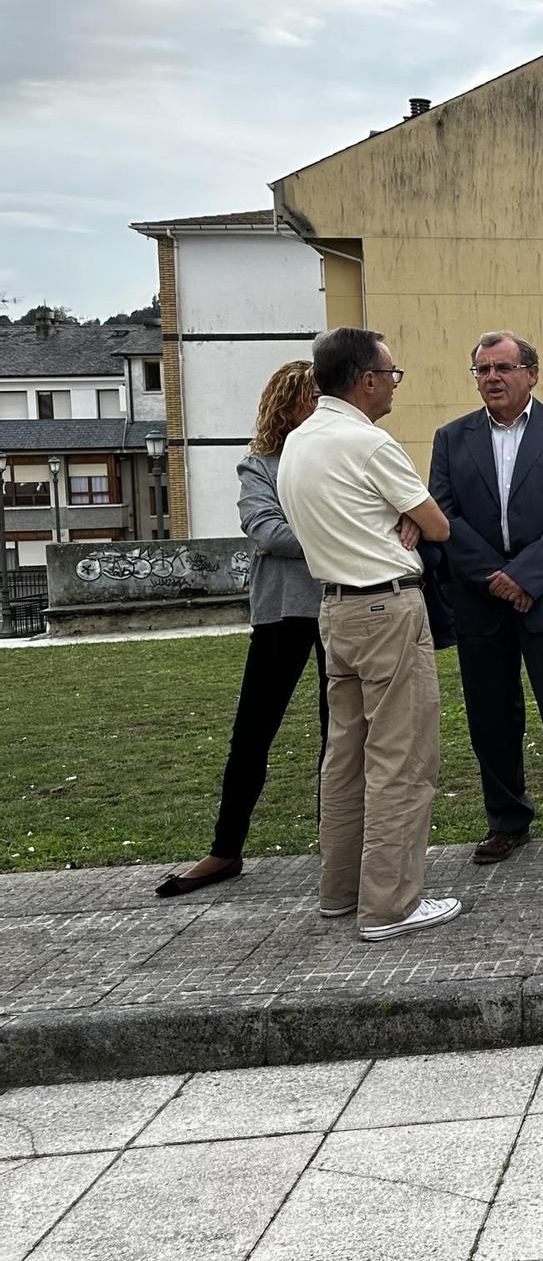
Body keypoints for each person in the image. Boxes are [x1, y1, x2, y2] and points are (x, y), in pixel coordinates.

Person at [277, 327, 459, 941]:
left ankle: (341, 890)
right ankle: (391, 905)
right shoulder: (368, 442)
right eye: (392, 373)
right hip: (387, 608)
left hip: (334, 612)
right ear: (367, 379)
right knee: (400, 759)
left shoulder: (297, 443)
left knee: (345, 757)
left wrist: (400, 517)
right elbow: (437, 527)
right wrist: (407, 516)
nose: (394, 384)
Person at [430, 330, 543, 864]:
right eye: (482, 370)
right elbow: (442, 515)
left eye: (503, 368)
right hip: (481, 600)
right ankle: (506, 820)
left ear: (531, 373)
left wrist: (526, 578)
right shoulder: (451, 438)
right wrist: (495, 578)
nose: (492, 378)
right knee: (491, 715)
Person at [157, 360, 326, 897]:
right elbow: (266, 529)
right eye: (312, 397)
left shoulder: (343, 457)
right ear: (288, 404)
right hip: (281, 612)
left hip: (342, 608)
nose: (323, 407)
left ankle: (340, 848)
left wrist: (301, 532)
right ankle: (225, 850)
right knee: (251, 735)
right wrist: (337, 535)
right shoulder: (260, 467)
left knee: (341, 737)